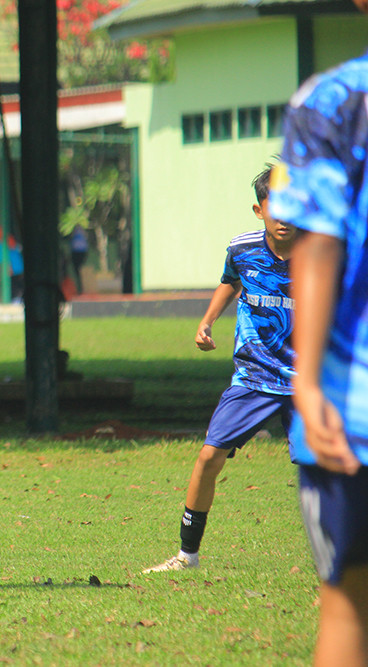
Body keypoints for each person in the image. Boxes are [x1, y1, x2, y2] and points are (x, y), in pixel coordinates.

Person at [269, 14, 368, 662]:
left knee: (348, 606)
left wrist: (304, 381)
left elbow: (321, 238)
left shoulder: (333, 100)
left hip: (350, 408)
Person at [143, 164, 296, 573]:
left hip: (311, 381)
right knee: (209, 456)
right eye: (274, 207)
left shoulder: (326, 253)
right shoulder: (243, 249)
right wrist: (206, 321)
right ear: (258, 209)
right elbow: (231, 281)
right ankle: (186, 556)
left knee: (330, 472)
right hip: (255, 377)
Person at [69, 224, 89, 294]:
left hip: (78, 253)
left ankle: (81, 288)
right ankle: (80, 288)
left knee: (78, 272)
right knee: (78, 272)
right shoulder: (81, 236)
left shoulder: (77, 236)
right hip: (79, 253)